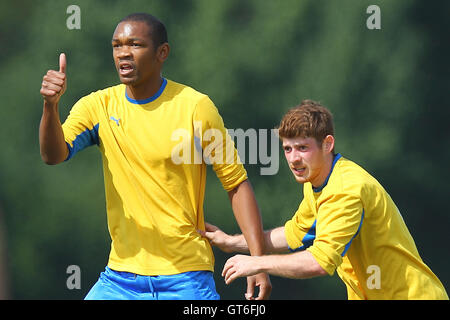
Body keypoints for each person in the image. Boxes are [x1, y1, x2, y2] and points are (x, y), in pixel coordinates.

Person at [39, 12, 271, 300]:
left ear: (162, 53)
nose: (124, 53)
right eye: (117, 45)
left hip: (186, 278)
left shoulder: (195, 107)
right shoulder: (97, 106)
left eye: (135, 45)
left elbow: (236, 185)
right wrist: (51, 107)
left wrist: (259, 262)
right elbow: (53, 154)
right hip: (119, 279)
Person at [201, 100, 449, 300]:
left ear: (327, 144)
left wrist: (257, 263)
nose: (293, 159)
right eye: (287, 149)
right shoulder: (318, 182)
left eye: (302, 148)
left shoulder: (345, 190)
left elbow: (319, 262)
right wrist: (231, 242)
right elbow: (294, 235)